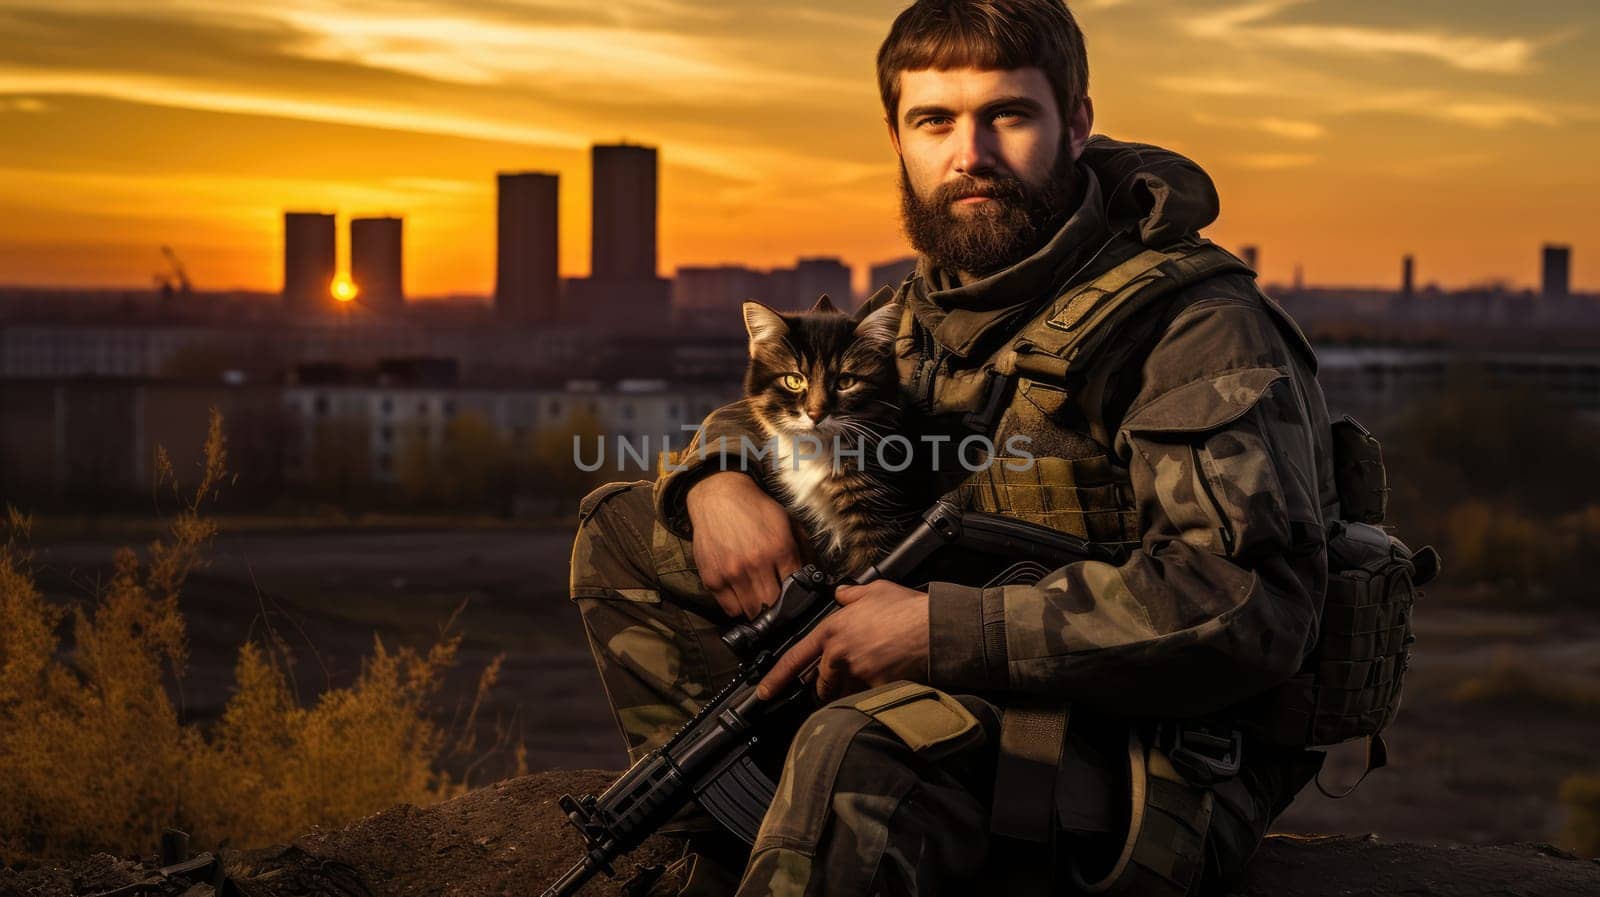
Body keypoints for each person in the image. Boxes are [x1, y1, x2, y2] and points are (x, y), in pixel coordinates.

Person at [569, 1, 1334, 894]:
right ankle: (744, 843)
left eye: (1007, 115)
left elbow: (1246, 604)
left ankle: (823, 833)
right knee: (624, 526)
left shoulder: (1189, 326)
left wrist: (937, 630)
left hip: (1137, 747)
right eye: (935, 120)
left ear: (1075, 123)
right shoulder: (927, 304)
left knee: (854, 747)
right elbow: (810, 403)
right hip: (958, 676)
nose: (969, 156)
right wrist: (714, 477)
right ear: (896, 136)